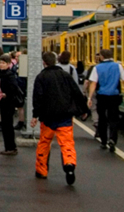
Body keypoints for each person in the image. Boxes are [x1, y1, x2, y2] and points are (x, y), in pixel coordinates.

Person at [31, 51, 90, 185]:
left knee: (44, 143)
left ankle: (42, 171)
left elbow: (38, 98)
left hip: (47, 117)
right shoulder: (65, 75)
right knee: (67, 143)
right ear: (55, 61)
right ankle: (69, 166)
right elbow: (76, 92)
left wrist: (35, 115)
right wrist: (83, 110)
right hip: (65, 115)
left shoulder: (41, 77)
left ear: (44, 62)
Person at [86, 48, 124, 151]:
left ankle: (103, 141)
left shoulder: (97, 68)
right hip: (114, 96)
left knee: (102, 119)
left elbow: (93, 83)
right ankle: (112, 139)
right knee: (113, 119)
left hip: (102, 96)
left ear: (102, 57)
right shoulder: (118, 66)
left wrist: (89, 97)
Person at [0, 54, 23, 155]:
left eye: (3, 63)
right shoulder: (4, 74)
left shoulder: (8, 75)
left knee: (7, 125)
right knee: (6, 125)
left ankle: (10, 147)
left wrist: (5, 94)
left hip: (8, 103)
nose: (1, 65)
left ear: (8, 64)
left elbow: (14, 88)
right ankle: (9, 147)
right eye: (0, 63)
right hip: (5, 103)